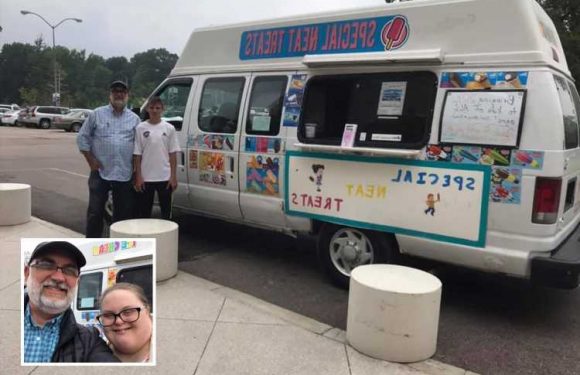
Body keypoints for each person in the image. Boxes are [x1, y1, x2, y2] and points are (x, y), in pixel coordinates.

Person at [23, 241, 118, 363]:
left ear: (77, 282)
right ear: (26, 273)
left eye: (69, 270)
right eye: (46, 265)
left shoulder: (90, 341)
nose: (58, 278)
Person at [77, 80, 141, 237]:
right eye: (115, 91)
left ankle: (119, 248)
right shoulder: (96, 114)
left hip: (124, 173)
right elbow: (82, 138)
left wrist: (137, 171)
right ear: (110, 94)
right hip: (100, 172)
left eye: (122, 92)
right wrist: (91, 161)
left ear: (127, 95)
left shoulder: (134, 119)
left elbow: (139, 147)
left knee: (123, 215)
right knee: (95, 212)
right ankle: (91, 247)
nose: (119, 94)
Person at [133, 96, 180, 219]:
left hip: (164, 177)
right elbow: (137, 154)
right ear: (147, 109)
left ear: (162, 109)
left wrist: (173, 176)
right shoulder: (140, 128)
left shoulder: (169, 128)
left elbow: (173, 154)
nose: (154, 110)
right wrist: (138, 176)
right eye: (152, 107)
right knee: (144, 213)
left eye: (157, 108)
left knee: (166, 213)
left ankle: (166, 237)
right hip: (146, 178)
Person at [97, 283, 153, 362]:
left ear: (147, 311)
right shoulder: (92, 355)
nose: (118, 321)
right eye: (109, 315)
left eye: (128, 312)